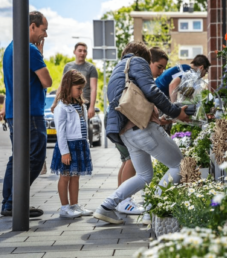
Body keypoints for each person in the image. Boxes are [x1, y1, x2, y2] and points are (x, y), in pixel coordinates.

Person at [93, 41, 190, 224]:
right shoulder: (138, 61)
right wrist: (176, 112)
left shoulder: (118, 70)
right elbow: (152, 91)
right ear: (144, 58)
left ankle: (106, 207)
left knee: (144, 175)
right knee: (180, 165)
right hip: (142, 129)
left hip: (127, 132)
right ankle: (152, 209)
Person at [1, 11, 52, 217]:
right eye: (44, 29)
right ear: (32, 27)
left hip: (15, 112)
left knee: (18, 158)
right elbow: (47, 81)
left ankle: (8, 202)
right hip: (31, 113)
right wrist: (40, 53)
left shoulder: (9, 48)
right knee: (35, 158)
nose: (45, 35)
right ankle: (16, 202)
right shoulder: (30, 49)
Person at [50, 70, 93, 218]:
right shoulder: (61, 107)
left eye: (82, 88)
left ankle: (74, 205)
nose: (81, 91)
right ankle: (64, 207)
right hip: (68, 146)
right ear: (68, 86)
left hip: (79, 145)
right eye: (79, 88)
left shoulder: (80, 105)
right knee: (65, 176)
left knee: (75, 176)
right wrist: (64, 151)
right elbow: (60, 132)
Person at [51, 42, 98, 144]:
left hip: (83, 103)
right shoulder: (68, 66)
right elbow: (61, 86)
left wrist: (92, 106)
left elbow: (94, 88)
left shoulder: (91, 68)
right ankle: (66, 147)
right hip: (68, 102)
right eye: (80, 50)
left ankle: (84, 145)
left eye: (84, 51)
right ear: (74, 52)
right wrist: (55, 103)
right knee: (68, 127)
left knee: (82, 127)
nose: (82, 53)